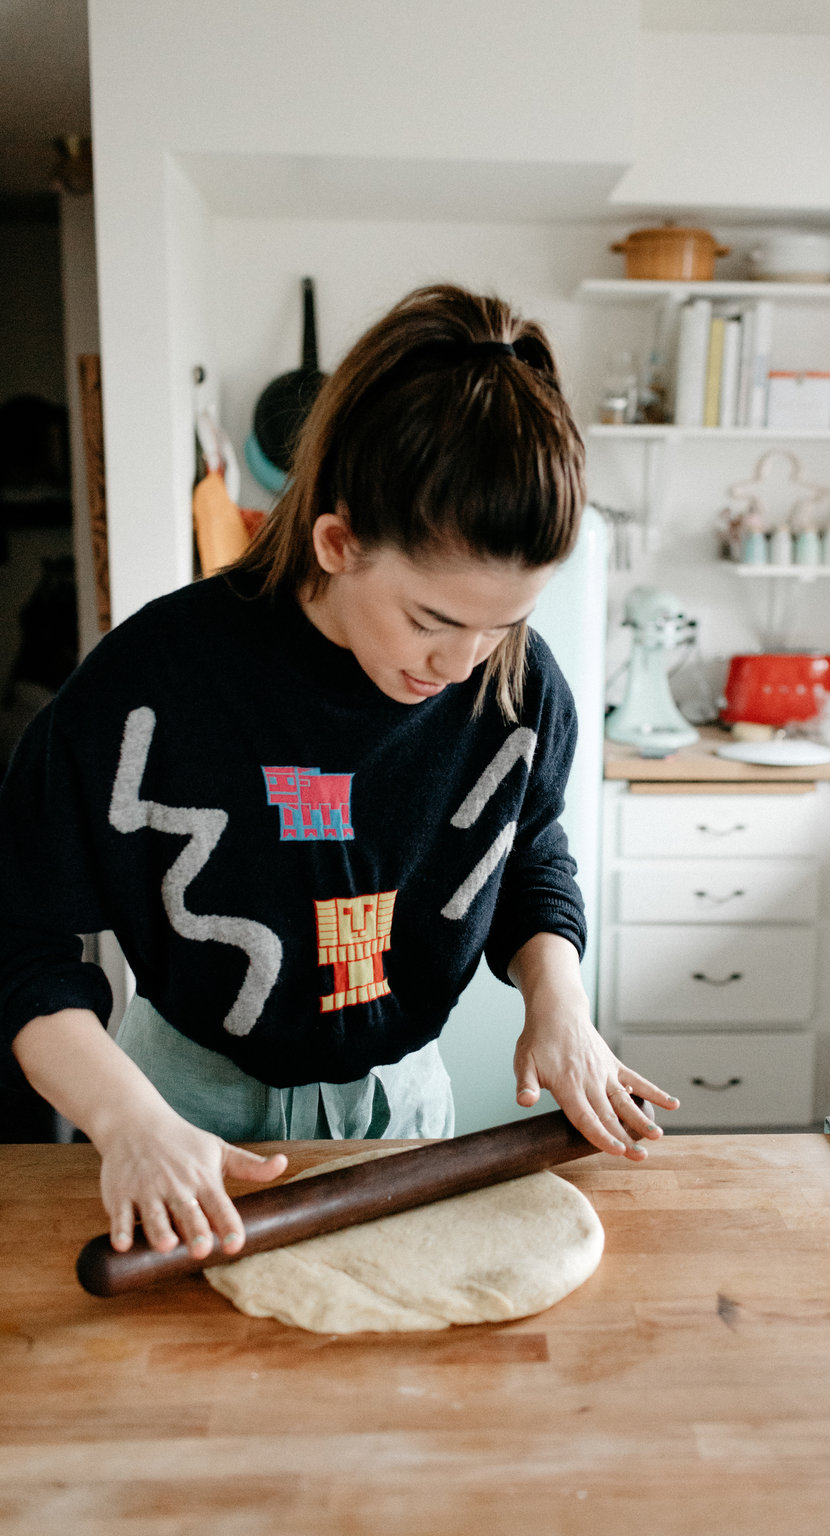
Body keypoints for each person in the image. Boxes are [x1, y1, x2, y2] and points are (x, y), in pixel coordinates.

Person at [0, 283, 678, 1265]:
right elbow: (23, 938)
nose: (463, 663)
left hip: (405, 1105)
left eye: (504, 622)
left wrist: (558, 1004)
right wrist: (124, 1121)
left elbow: (525, 847)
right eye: (434, 621)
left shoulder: (517, 687)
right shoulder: (152, 688)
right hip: (180, 1113)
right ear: (337, 541)